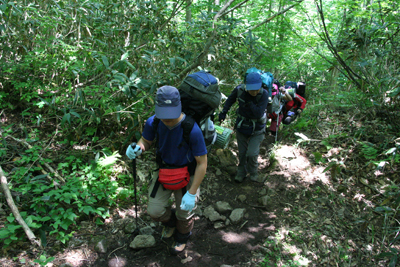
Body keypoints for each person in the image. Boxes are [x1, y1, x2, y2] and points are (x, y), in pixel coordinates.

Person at [125, 86, 207, 254]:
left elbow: (202, 163)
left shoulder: (191, 128)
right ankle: (171, 223)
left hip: (187, 172)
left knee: (185, 212)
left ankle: (182, 235)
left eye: (172, 115)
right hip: (164, 170)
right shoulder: (153, 122)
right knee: (154, 211)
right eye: (164, 116)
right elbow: (146, 141)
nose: (168, 120)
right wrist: (139, 148)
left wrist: (191, 193)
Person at [218, 71, 268, 183]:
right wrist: (224, 112)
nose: (255, 92)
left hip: (257, 128)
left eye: (257, 89)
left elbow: (258, 113)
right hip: (242, 126)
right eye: (252, 89)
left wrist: (249, 102)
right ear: (246, 86)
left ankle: (254, 172)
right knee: (242, 153)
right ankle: (241, 173)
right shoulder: (239, 90)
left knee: (252, 153)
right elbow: (230, 100)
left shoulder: (264, 94)